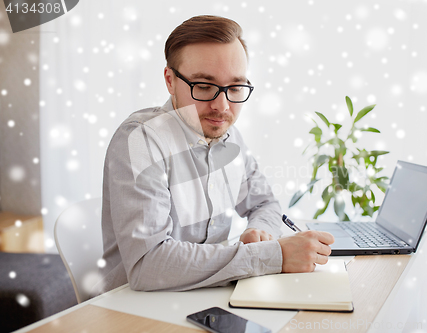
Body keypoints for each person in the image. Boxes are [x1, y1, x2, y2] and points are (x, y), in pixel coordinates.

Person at [97, 15, 334, 294]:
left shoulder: (228, 136)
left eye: (235, 88)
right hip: (132, 309)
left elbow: (265, 203)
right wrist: (274, 256)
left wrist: (259, 233)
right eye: (205, 87)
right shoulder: (140, 140)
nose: (222, 107)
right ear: (170, 81)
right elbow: (150, 265)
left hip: (205, 297)